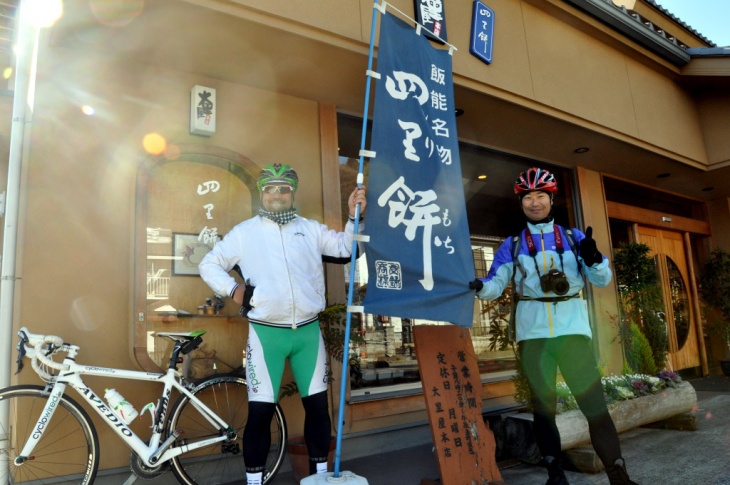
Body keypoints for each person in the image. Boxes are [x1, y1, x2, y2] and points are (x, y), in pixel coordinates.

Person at [199, 163, 366, 485]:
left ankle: (320, 477)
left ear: (293, 193)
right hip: (266, 335)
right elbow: (209, 263)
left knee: (317, 408)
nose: (277, 194)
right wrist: (233, 289)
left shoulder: (310, 229)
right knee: (260, 414)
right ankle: (254, 481)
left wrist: (353, 217)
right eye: (270, 189)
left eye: (284, 188)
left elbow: (348, 249)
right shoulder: (245, 232)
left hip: (307, 332)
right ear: (262, 193)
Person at [469, 167, 638, 485]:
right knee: (544, 411)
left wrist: (593, 258)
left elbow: (602, 279)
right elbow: (495, 284)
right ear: (521, 202)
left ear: (551, 199)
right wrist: (478, 285)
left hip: (573, 335)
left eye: (541, 195)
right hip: (534, 339)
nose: (534, 202)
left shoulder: (574, 238)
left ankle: (619, 475)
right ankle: (555, 475)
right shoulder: (513, 245)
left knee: (596, 408)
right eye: (528, 196)